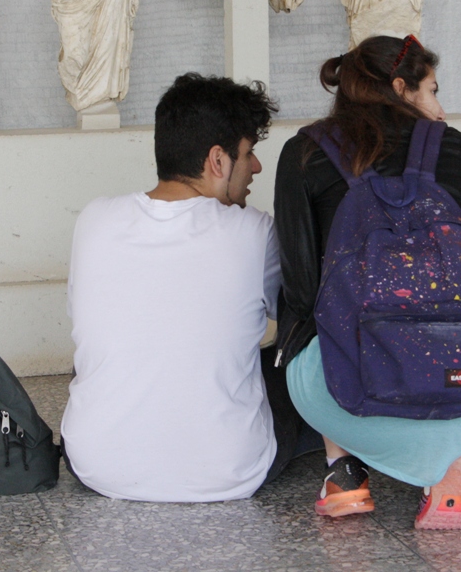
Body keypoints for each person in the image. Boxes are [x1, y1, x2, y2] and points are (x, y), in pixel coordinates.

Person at [273, 35, 461, 530]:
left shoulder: (304, 153)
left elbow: (302, 291)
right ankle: (452, 460)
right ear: (401, 88)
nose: (440, 106)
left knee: (315, 313)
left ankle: (344, 473)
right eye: (432, 90)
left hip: (342, 395)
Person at [60, 73, 302, 502]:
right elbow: (295, 319)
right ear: (217, 161)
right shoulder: (254, 233)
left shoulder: (94, 220)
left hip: (98, 466)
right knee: (294, 361)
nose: (257, 167)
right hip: (230, 472)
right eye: (249, 153)